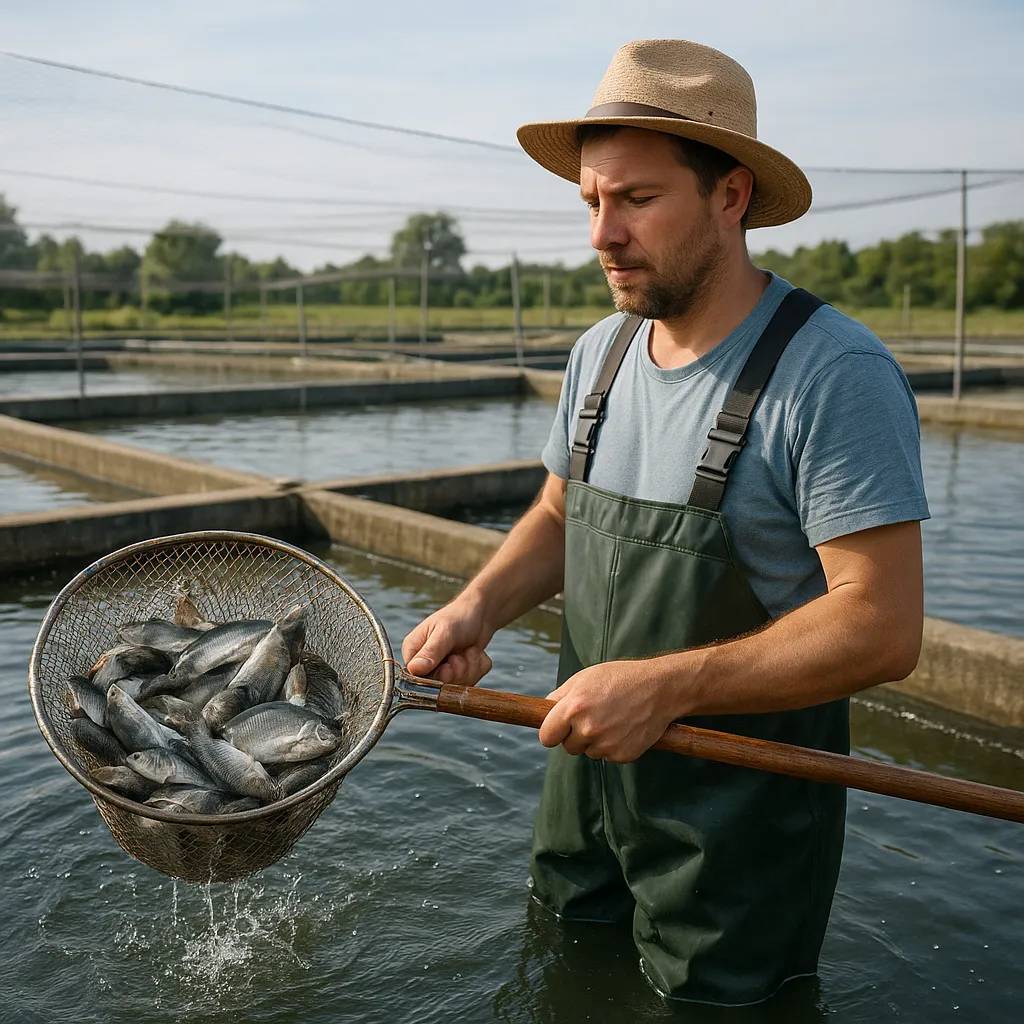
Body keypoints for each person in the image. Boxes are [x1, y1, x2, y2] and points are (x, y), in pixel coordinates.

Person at [402, 39, 929, 1006]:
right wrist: (477, 609)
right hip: (584, 784)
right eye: (592, 202)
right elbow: (561, 515)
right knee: (565, 975)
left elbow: (881, 625)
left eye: (638, 200)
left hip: (736, 828)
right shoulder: (599, 355)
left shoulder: (833, 376)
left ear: (731, 195)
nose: (604, 233)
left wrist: (669, 684)